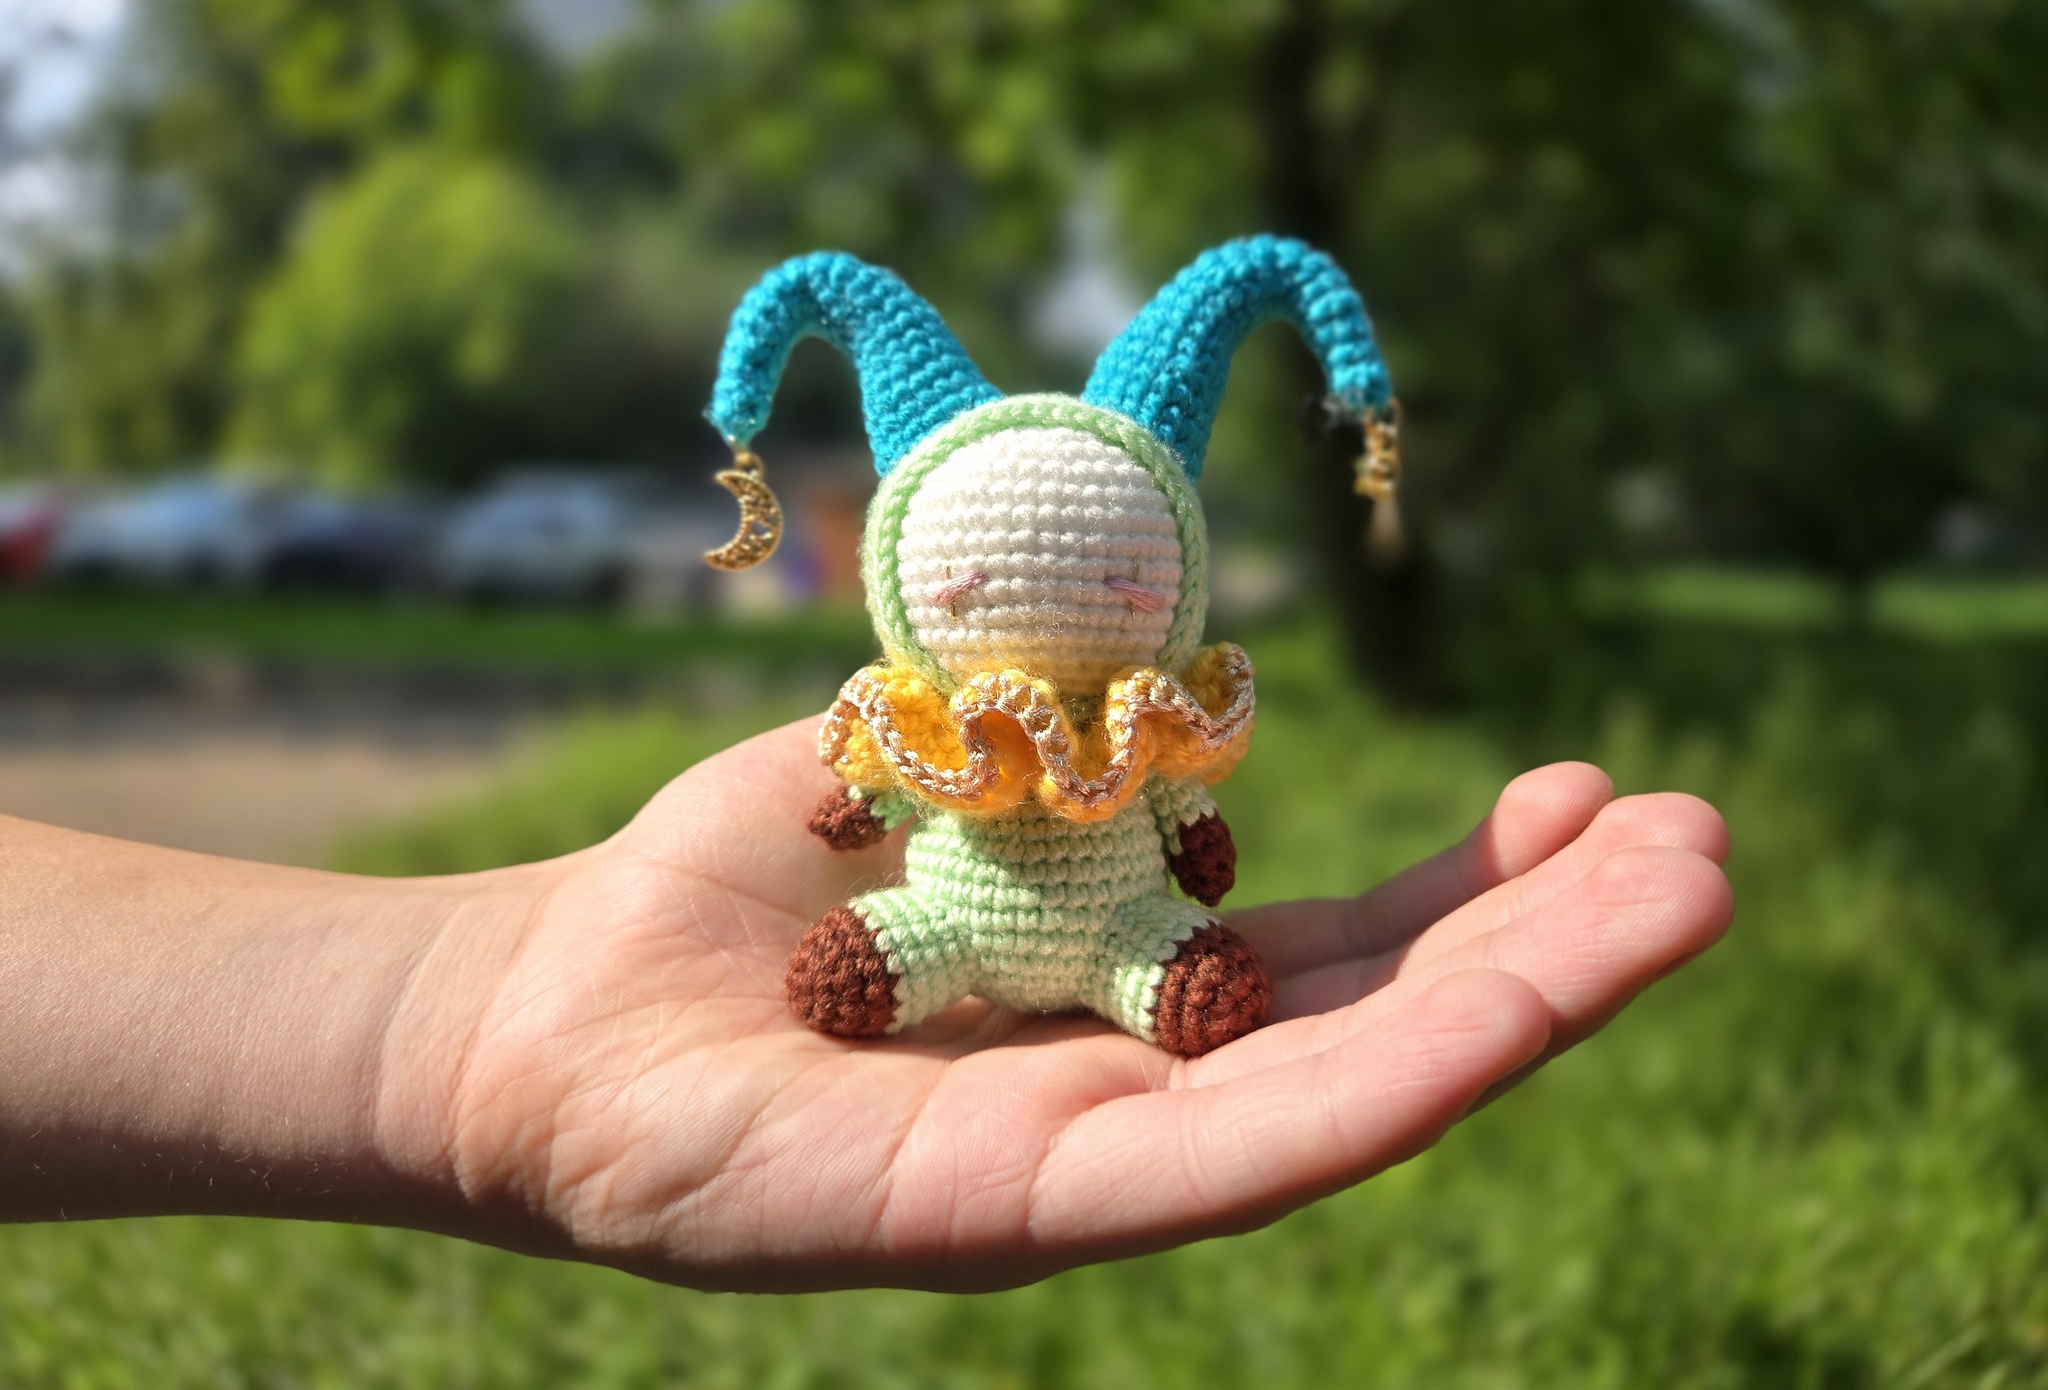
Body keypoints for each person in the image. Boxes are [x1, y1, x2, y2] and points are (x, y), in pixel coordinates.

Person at [0, 717, 1730, 1291]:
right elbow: (873, 794)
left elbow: (1192, 828)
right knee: (885, 945)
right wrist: (855, 808)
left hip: (1123, 920)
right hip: (950, 916)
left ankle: (1149, 977)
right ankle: (929, 964)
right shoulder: (937, 722)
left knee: (1173, 961)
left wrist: (1193, 845)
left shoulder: (1150, 724)